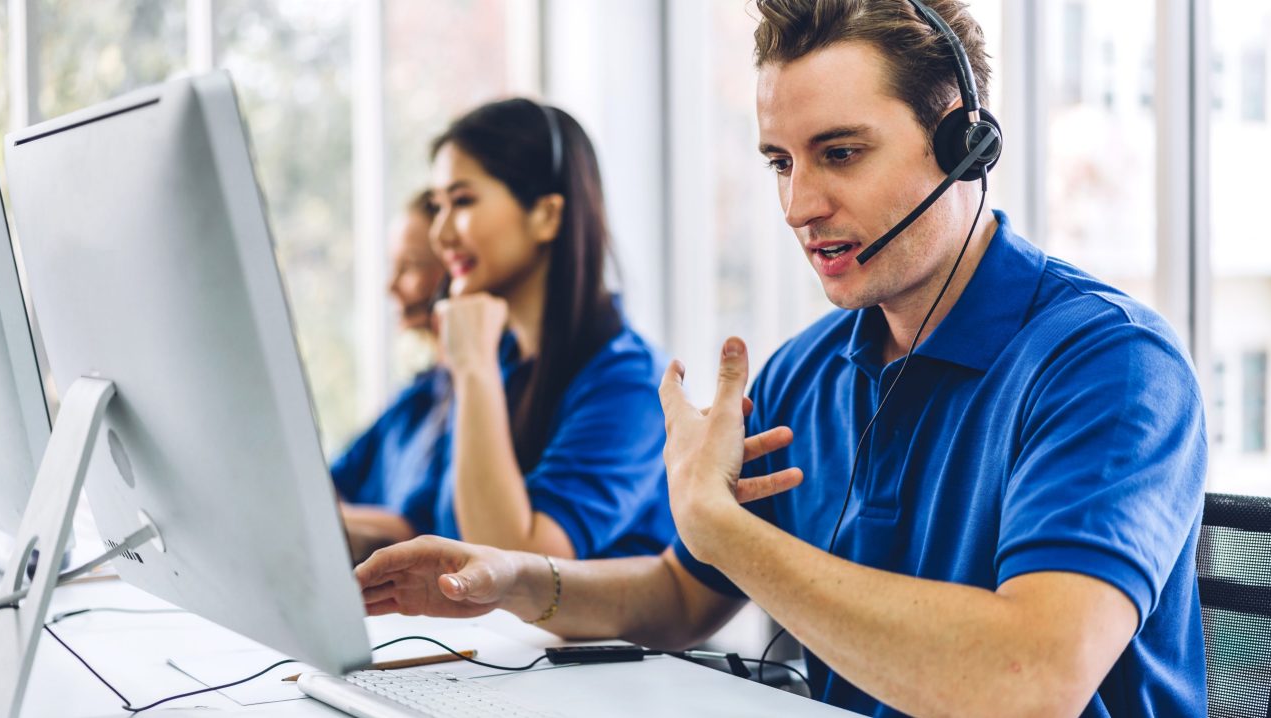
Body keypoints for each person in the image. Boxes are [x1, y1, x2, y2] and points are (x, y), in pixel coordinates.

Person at [354, 2, 1207, 715]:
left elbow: (1033, 680)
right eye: (779, 162)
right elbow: (682, 594)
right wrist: (511, 578)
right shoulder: (810, 369)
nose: (799, 205)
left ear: (963, 147)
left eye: (840, 153)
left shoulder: (1112, 366)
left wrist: (723, 530)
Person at [415, 97, 673, 561]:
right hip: (488, 635)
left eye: (463, 201)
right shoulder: (510, 362)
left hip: (581, 636)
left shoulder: (630, 383)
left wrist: (473, 366)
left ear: (548, 215)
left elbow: (515, 564)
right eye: (437, 206)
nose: (440, 234)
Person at [332, 190, 450, 562]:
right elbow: (329, 483)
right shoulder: (416, 397)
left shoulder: (481, 403)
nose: (390, 285)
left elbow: (419, 531)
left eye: (410, 266)